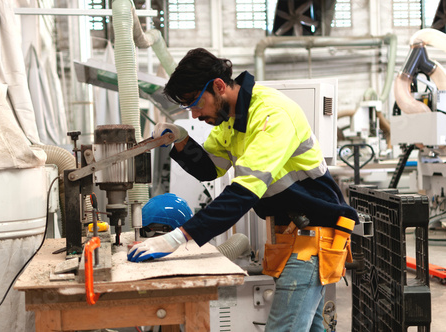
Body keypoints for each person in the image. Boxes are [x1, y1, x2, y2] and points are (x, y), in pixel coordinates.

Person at [127, 48, 359, 331]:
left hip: (316, 234)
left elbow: (242, 193)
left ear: (219, 86)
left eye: (196, 104)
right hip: (291, 234)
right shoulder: (231, 120)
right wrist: (180, 141)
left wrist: (177, 238)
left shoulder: (271, 115)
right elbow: (210, 168)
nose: (196, 114)